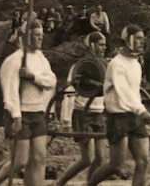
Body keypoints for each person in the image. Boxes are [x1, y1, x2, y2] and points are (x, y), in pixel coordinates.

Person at [0, 19, 57, 186]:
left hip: (38, 113)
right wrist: (16, 116)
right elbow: (10, 90)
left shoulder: (41, 58)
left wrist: (33, 77)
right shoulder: (14, 60)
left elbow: (51, 81)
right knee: (20, 161)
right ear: (26, 37)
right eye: (36, 36)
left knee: (39, 159)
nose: (40, 39)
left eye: (41, 35)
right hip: (21, 114)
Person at [87, 25, 150, 186]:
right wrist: (141, 110)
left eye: (142, 39)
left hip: (135, 116)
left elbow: (134, 92)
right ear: (128, 39)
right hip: (118, 115)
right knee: (116, 164)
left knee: (143, 160)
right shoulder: (116, 64)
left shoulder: (136, 64)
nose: (141, 42)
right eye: (137, 38)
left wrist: (139, 110)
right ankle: (88, 184)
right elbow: (123, 90)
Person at [56, 32, 108, 186]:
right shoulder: (79, 67)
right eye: (101, 44)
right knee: (87, 158)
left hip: (98, 112)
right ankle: (60, 182)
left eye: (105, 45)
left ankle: (90, 184)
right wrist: (66, 120)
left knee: (100, 158)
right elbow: (69, 92)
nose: (104, 48)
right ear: (92, 45)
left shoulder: (104, 65)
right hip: (82, 113)